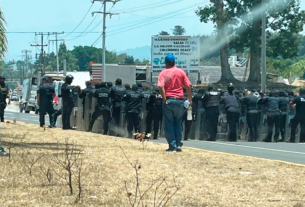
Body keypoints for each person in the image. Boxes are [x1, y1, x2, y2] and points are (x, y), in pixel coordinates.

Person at [158, 54, 192, 152]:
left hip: (169, 100)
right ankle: (178, 144)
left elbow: (160, 86)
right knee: (178, 123)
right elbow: (188, 86)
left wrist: (164, 99)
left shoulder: (163, 73)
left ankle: (172, 145)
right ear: (174, 62)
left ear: (166, 62)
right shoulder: (181, 72)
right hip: (180, 101)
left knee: (169, 124)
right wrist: (190, 99)